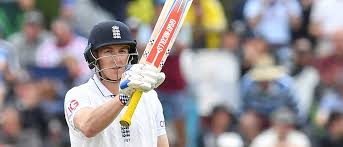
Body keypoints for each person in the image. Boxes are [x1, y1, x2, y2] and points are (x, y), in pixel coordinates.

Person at [64, 20, 169, 147]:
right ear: (93, 56)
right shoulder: (78, 94)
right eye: (108, 52)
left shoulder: (150, 96)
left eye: (122, 51)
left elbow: (162, 144)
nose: (117, 60)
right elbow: (88, 127)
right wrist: (124, 96)